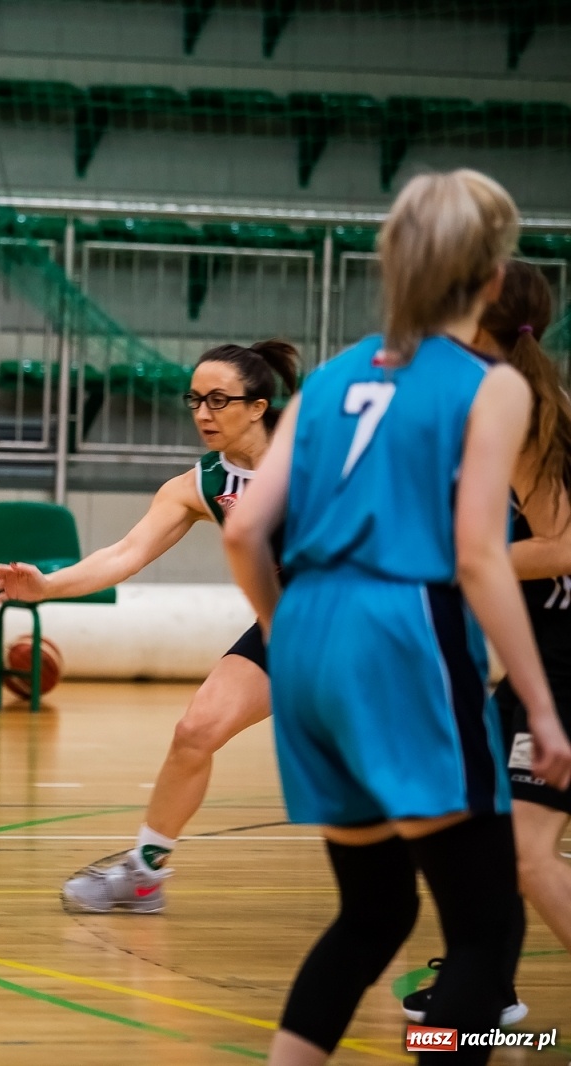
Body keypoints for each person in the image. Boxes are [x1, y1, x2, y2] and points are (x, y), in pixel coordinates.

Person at [223, 170, 571, 1066]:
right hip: (405, 631)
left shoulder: (331, 376)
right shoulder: (488, 386)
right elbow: (478, 555)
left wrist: (288, 633)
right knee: (486, 935)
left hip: (306, 637)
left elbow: (244, 529)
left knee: (375, 911)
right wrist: (538, 701)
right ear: (492, 278)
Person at [0, 339, 298, 913]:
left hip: (360, 626)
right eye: (195, 399)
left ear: (258, 405)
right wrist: (48, 586)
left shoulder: (319, 457)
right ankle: (143, 874)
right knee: (195, 732)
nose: (203, 412)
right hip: (285, 628)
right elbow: (125, 552)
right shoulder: (201, 484)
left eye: (219, 400)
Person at [403, 260, 571, 1023]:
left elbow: (563, 546)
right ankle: (486, 989)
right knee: (497, 842)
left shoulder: (527, 406)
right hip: (544, 655)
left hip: (565, 662)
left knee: (529, 856)